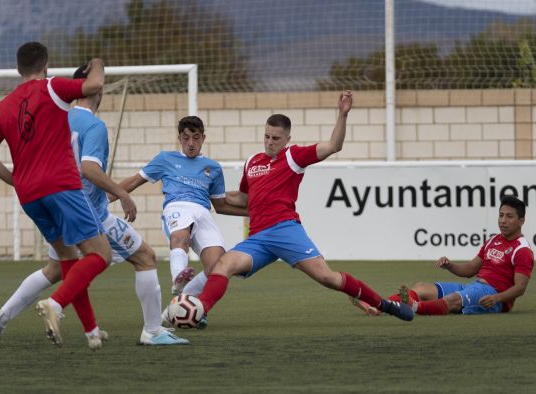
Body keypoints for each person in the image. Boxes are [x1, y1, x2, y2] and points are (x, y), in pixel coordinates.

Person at [0, 64, 189, 348]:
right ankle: (152, 331)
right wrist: (121, 193)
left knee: (56, 269)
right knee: (145, 257)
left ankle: (1, 317)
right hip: (87, 211)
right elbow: (89, 168)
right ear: (96, 89)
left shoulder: (54, 115)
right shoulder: (93, 125)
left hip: (51, 205)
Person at [193, 91, 414, 329]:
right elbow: (245, 199)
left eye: (276, 138)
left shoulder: (293, 156)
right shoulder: (252, 162)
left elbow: (333, 146)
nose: (269, 142)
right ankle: (200, 311)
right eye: (266, 136)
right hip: (258, 238)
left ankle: (384, 304)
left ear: (287, 138)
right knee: (224, 265)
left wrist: (342, 114)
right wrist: (205, 192)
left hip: (286, 231)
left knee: (327, 278)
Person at [0, 42, 111, 349]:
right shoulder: (52, 87)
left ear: (17, 69)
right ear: (46, 66)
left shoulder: (2, 107)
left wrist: (15, 180)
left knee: (68, 258)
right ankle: (57, 303)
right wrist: (98, 62)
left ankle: (91, 332)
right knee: (101, 254)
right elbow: (95, 84)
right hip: (62, 185)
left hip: (29, 195)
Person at [117, 116, 247, 300]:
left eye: (196, 137)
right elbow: (134, 181)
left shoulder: (214, 168)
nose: (191, 143)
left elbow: (220, 205)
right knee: (181, 236)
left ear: (204, 137)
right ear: (179, 138)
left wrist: (254, 212)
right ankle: (179, 277)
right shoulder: (165, 159)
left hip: (203, 212)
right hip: (177, 207)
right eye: (186, 138)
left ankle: (180, 304)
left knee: (217, 266)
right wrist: (104, 198)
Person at [385, 196, 533, 315]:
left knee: (452, 301)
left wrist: (497, 298)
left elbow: (520, 287)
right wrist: (450, 265)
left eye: (509, 217)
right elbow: (470, 269)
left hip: (493, 297)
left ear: (521, 221)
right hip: (474, 287)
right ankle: (381, 305)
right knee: (422, 287)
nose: (503, 221)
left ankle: (411, 307)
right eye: (501, 215)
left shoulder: (522, 250)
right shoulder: (493, 240)